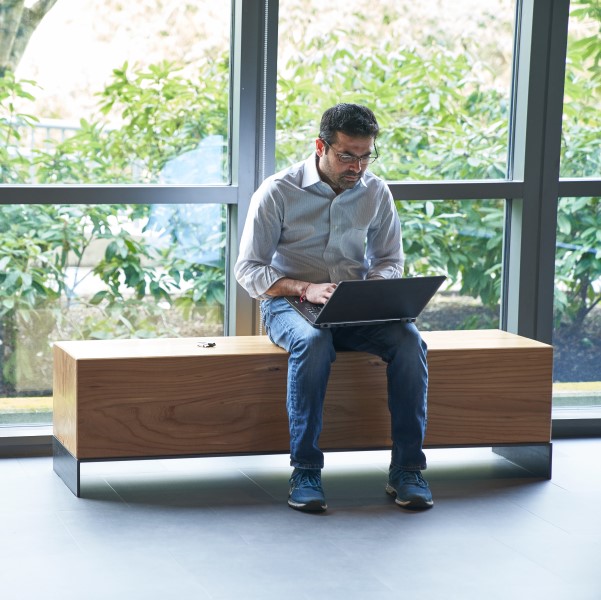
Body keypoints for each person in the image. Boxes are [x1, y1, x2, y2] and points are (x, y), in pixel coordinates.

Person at [234, 103, 432, 512]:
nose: (357, 167)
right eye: (347, 155)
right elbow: (249, 270)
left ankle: (407, 470)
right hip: (289, 305)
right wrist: (306, 288)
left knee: (410, 341)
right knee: (313, 341)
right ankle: (305, 470)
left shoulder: (375, 192)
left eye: (365, 156)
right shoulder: (278, 191)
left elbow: (390, 261)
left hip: (356, 305)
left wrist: (374, 292)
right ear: (321, 146)